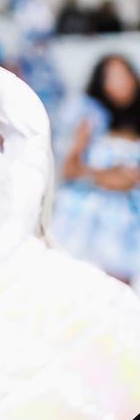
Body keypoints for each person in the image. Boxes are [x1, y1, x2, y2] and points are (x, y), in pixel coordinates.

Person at [52, 55, 140, 283]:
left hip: (127, 226)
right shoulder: (90, 117)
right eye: (113, 77)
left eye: (124, 75)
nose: (121, 83)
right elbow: (69, 168)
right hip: (89, 224)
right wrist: (105, 176)